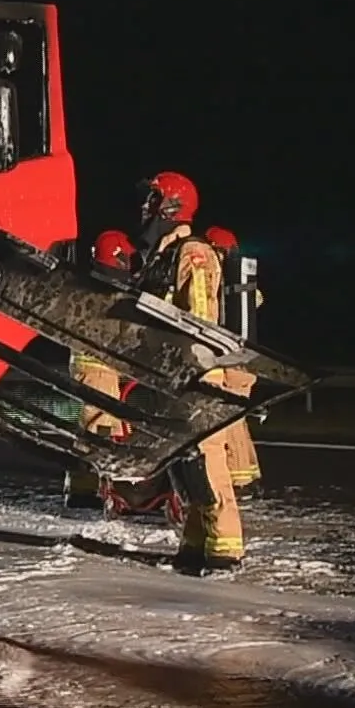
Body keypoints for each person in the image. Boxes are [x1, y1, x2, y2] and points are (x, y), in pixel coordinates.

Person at [135, 172, 243, 575]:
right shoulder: (164, 254)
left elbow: (199, 319)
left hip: (196, 374)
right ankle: (195, 543)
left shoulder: (193, 253)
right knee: (186, 464)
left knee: (207, 460)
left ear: (171, 204)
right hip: (171, 377)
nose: (145, 208)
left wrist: (193, 370)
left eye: (152, 199)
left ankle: (226, 548)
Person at [64, 230, 136, 508]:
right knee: (100, 430)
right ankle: (89, 489)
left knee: (92, 429)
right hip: (98, 370)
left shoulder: (89, 286)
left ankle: (84, 487)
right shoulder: (106, 290)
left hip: (94, 369)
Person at [203, 224, 264, 495]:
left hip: (233, 361)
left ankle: (241, 480)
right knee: (235, 420)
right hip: (242, 359)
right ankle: (249, 476)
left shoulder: (224, 284)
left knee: (231, 422)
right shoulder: (241, 287)